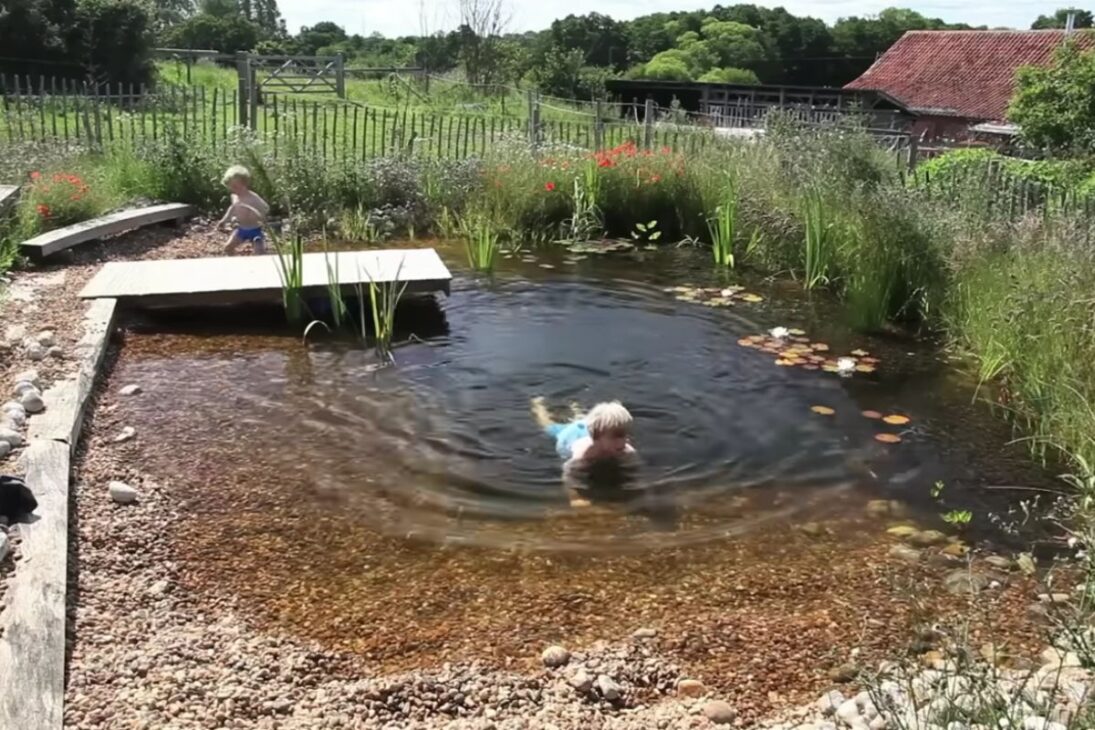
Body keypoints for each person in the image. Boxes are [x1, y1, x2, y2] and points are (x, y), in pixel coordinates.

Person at [531, 397, 638, 508]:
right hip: (570, 435)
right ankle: (538, 406)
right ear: (596, 437)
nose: (625, 441)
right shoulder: (583, 455)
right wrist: (576, 497)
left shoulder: (628, 451)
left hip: (586, 427)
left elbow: (635, 473)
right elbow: (568, 476)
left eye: (626, 434)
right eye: (617, 436)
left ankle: (575, 408)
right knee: (548, 426)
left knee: (583, 420)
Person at [218, 165, 270, 255]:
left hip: (255, 229)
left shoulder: (252, 197)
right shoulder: (235, 197)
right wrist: (224, 220)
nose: (234, 189)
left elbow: (265, 208)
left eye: (236, 186)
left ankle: (262, 265)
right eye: (231, 187)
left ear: (244, 183)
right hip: (241, 229)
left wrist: (259, 216)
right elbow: (232, 208)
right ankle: (236, 264)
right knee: (228, 248)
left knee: (259, 252)